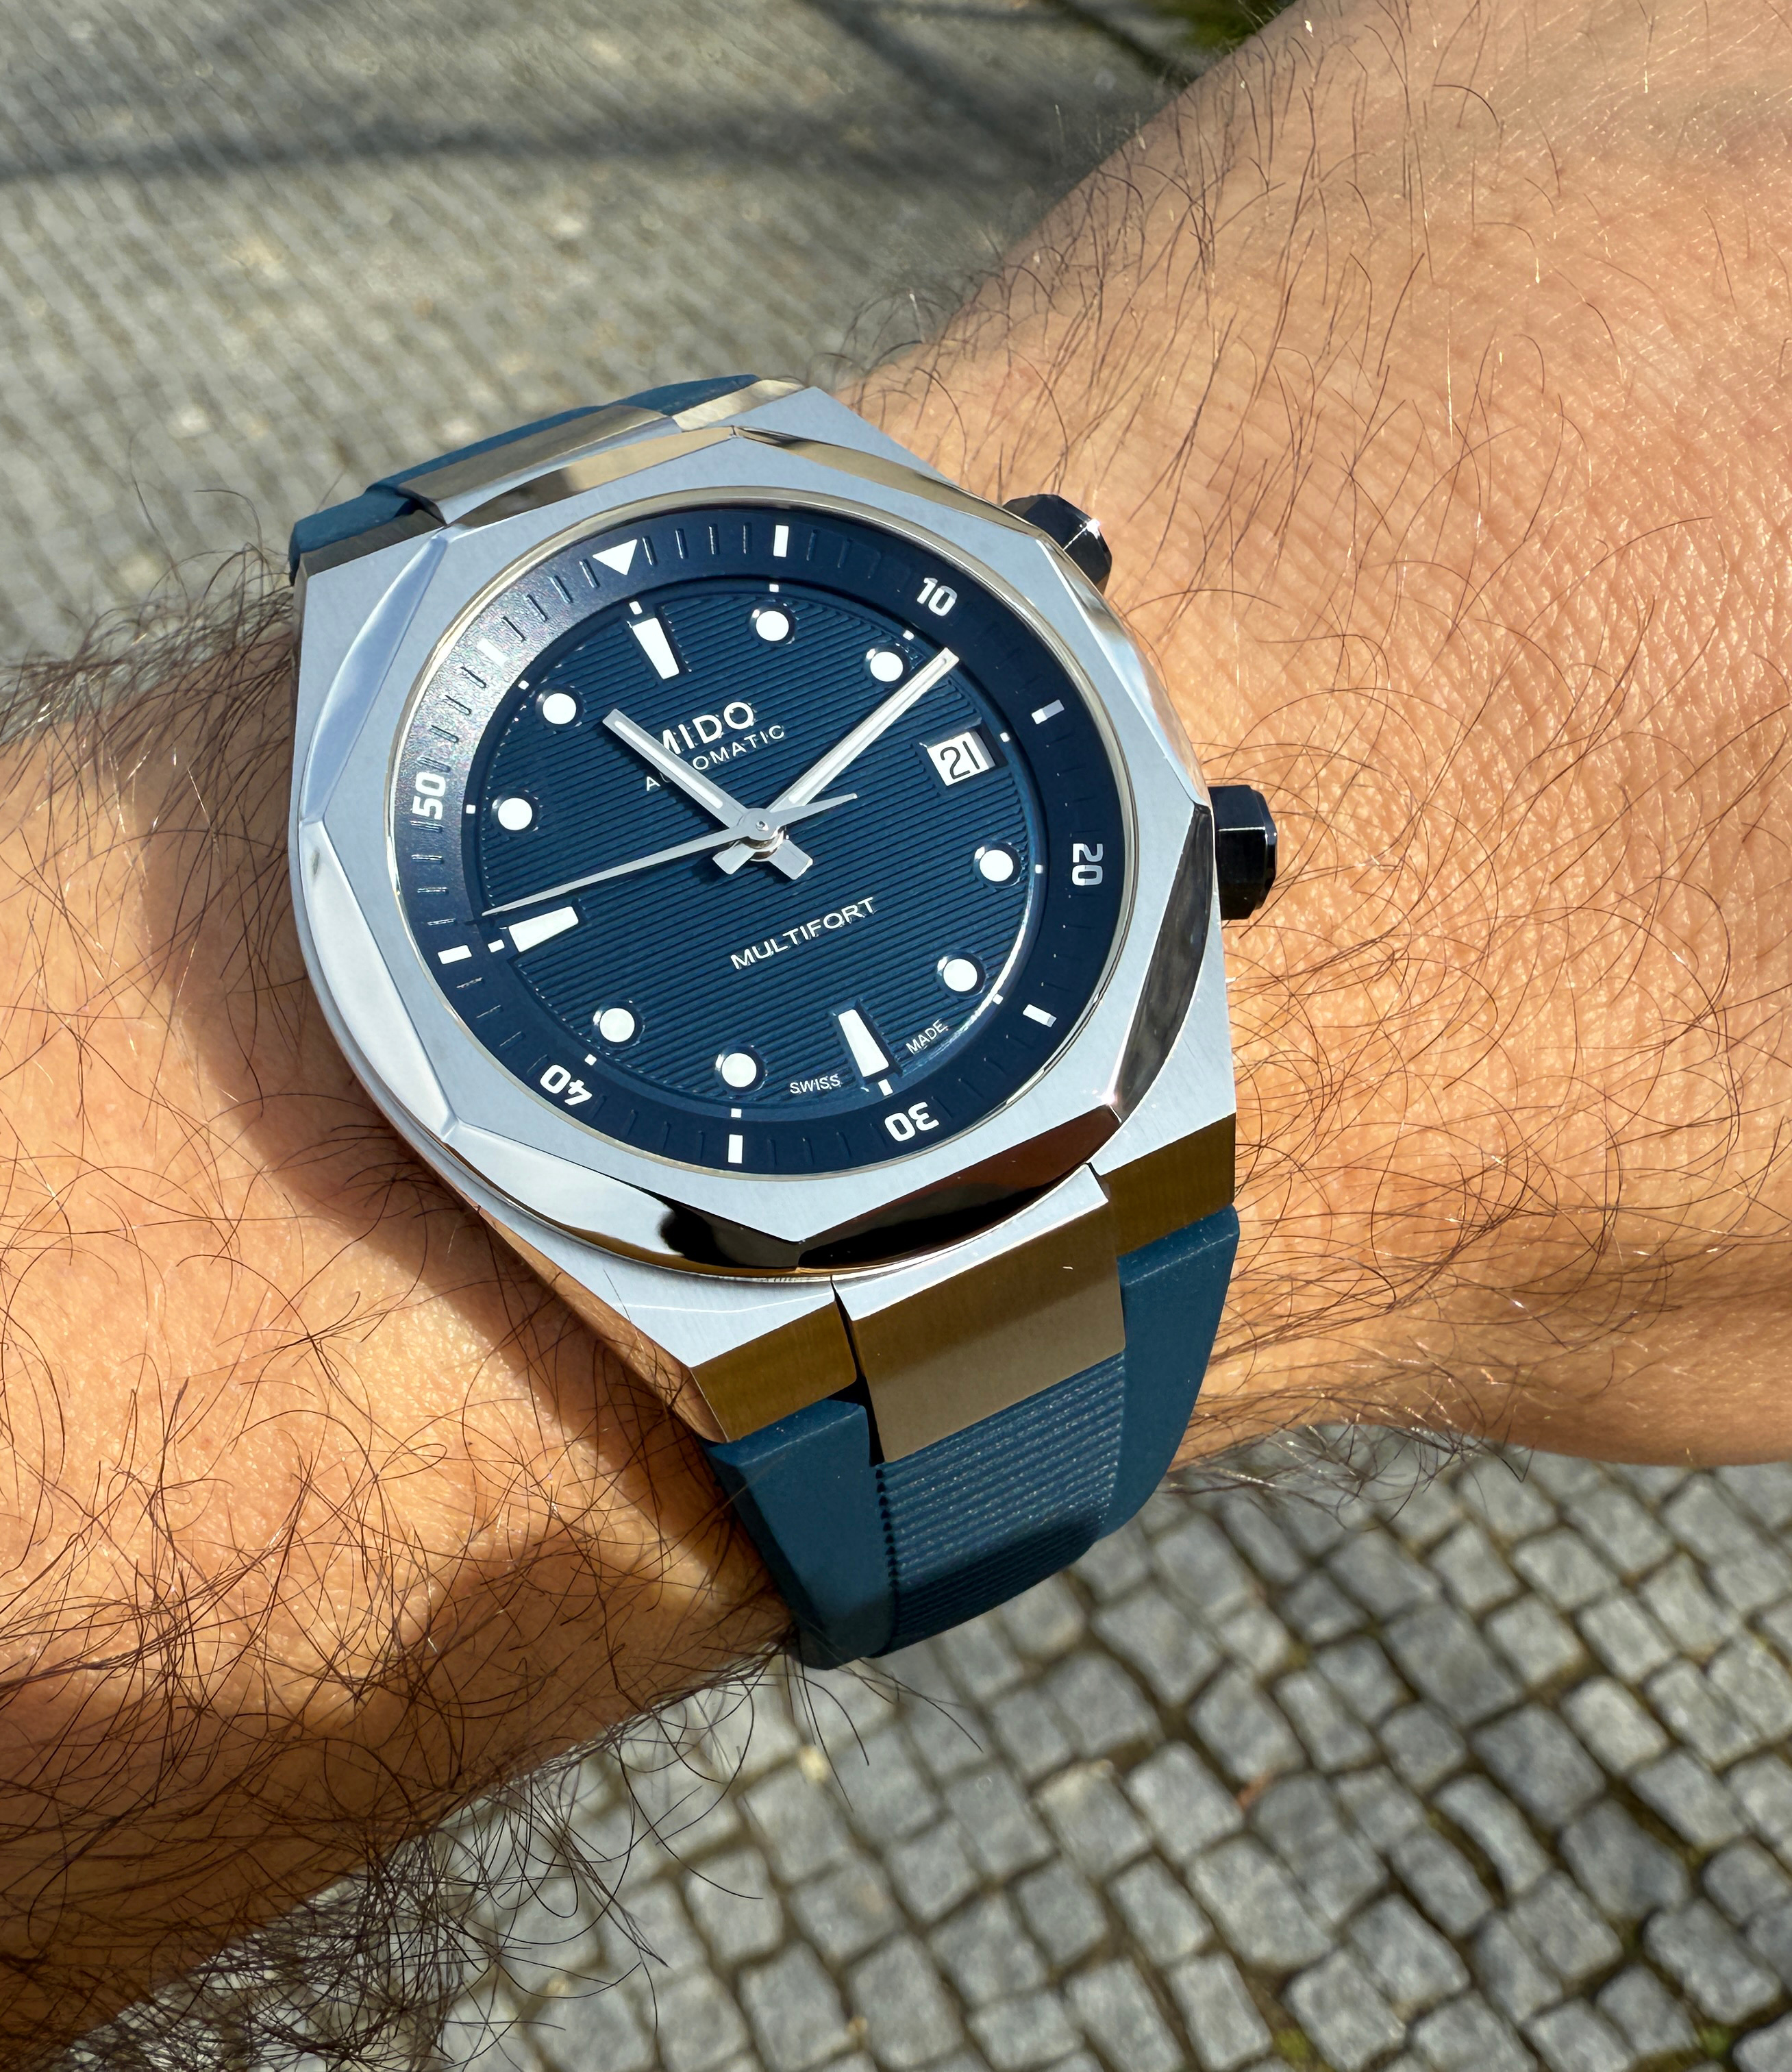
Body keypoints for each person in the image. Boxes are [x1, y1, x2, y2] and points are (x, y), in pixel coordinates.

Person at [1, 0, 1787, 2053]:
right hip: (715, 1244)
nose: (761, 843)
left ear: (1205, 834)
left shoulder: (1018, 725)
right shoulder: (398, 900)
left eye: (770, 816)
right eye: (732, 833)